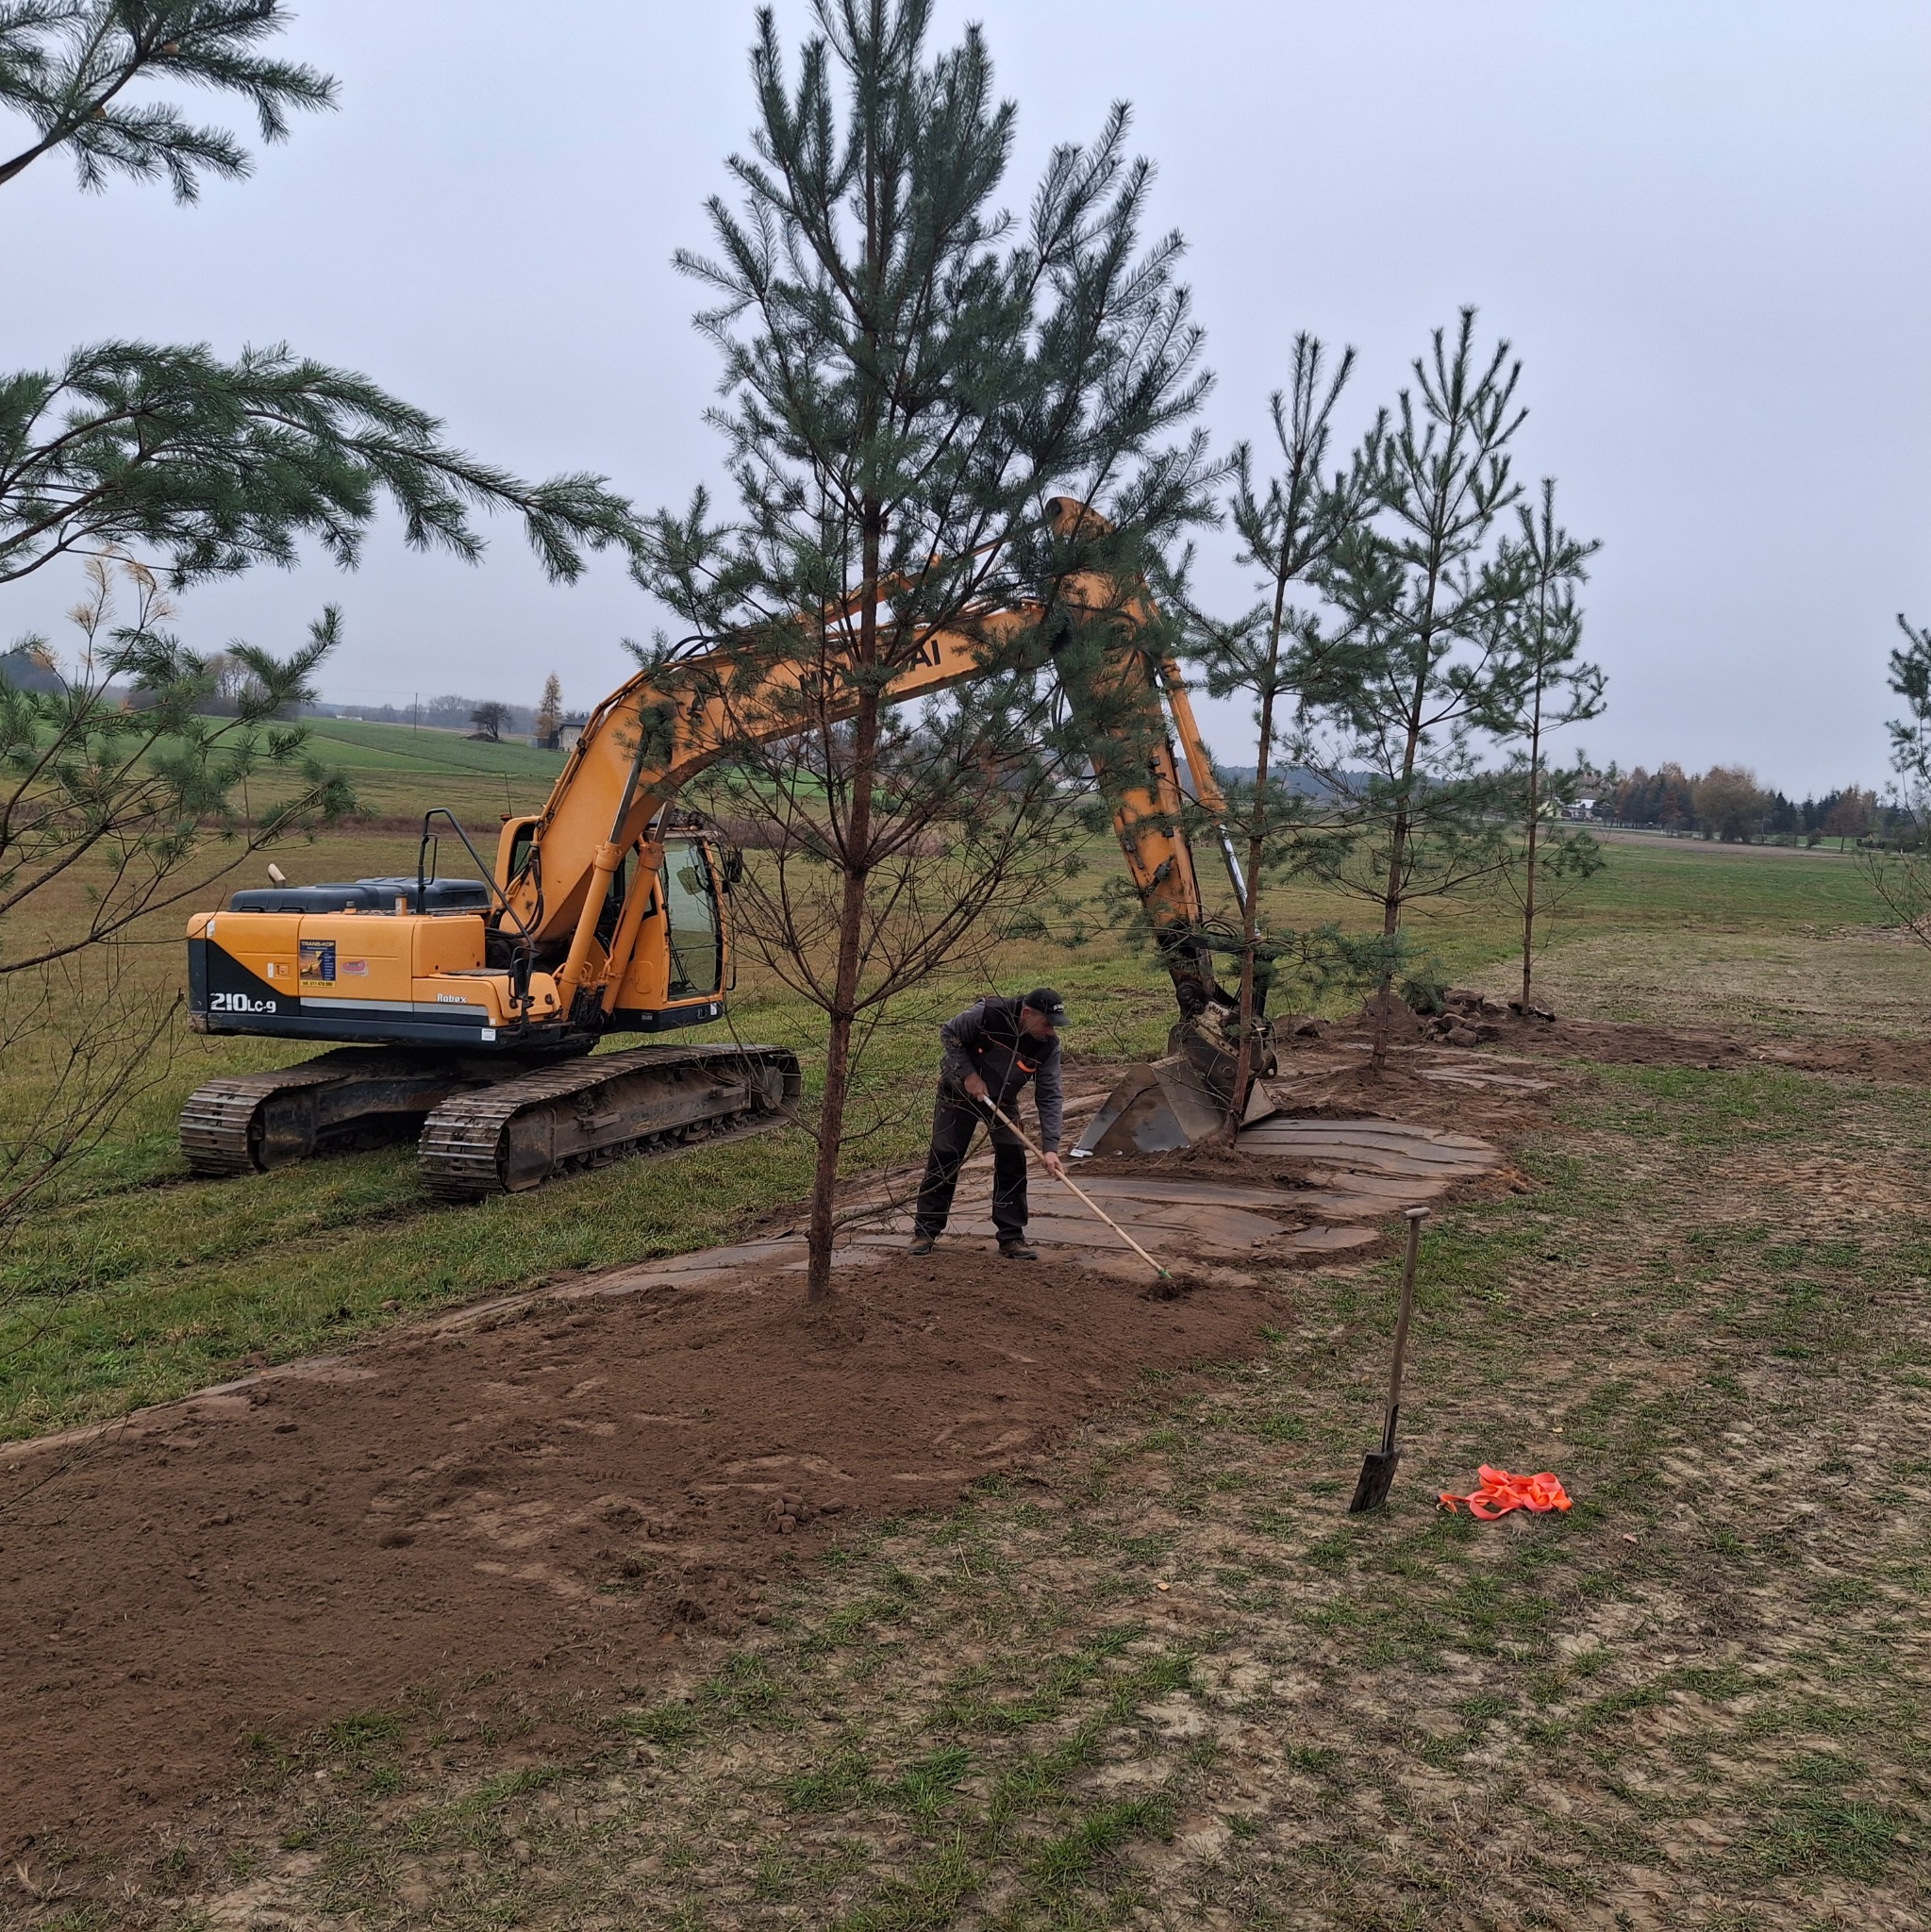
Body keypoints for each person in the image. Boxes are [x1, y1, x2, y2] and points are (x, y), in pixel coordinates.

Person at [908, 987, 1068, 1259]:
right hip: (958, 1093)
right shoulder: (988, 1014)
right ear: (1027, 1014)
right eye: (1047, 1023)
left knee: (1013, 1159)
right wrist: (969, 1074)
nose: (1051, 1031)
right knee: (945, 1157)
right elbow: (949, 1033)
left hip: (1002, 1100)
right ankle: (925, 1231)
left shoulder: (1047, 1046)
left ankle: (1011, 1237)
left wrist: (1051, 1147)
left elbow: (1050, 1095)